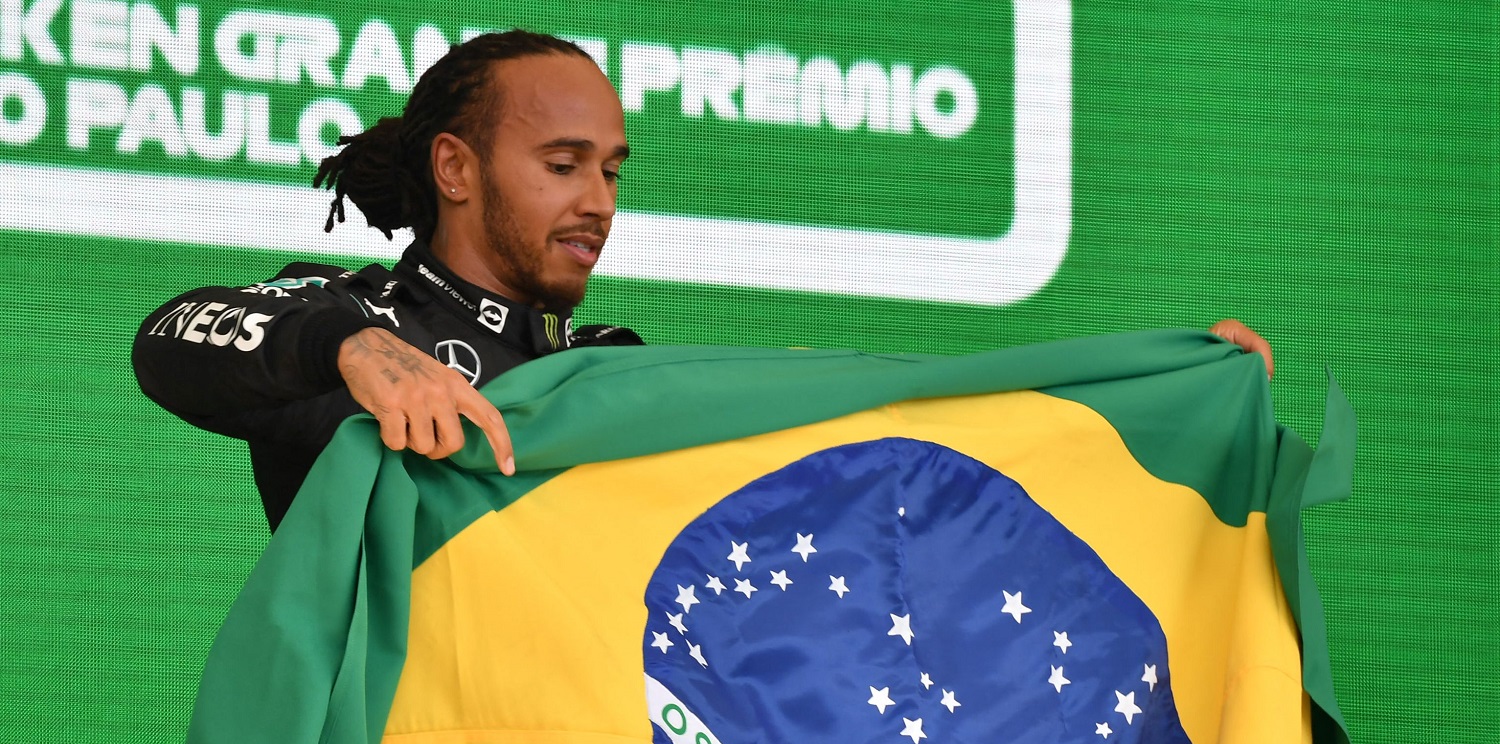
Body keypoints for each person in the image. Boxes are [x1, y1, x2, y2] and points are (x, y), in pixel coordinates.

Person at [134, 29, 1271, 531]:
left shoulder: (610, 370)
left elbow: (850, 449)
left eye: (613, 170)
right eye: (564, 164)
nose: (599, 201)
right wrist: (353, 347)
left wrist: (1163, 399)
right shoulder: (357, 316)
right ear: (456, 168)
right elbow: (170, 335)